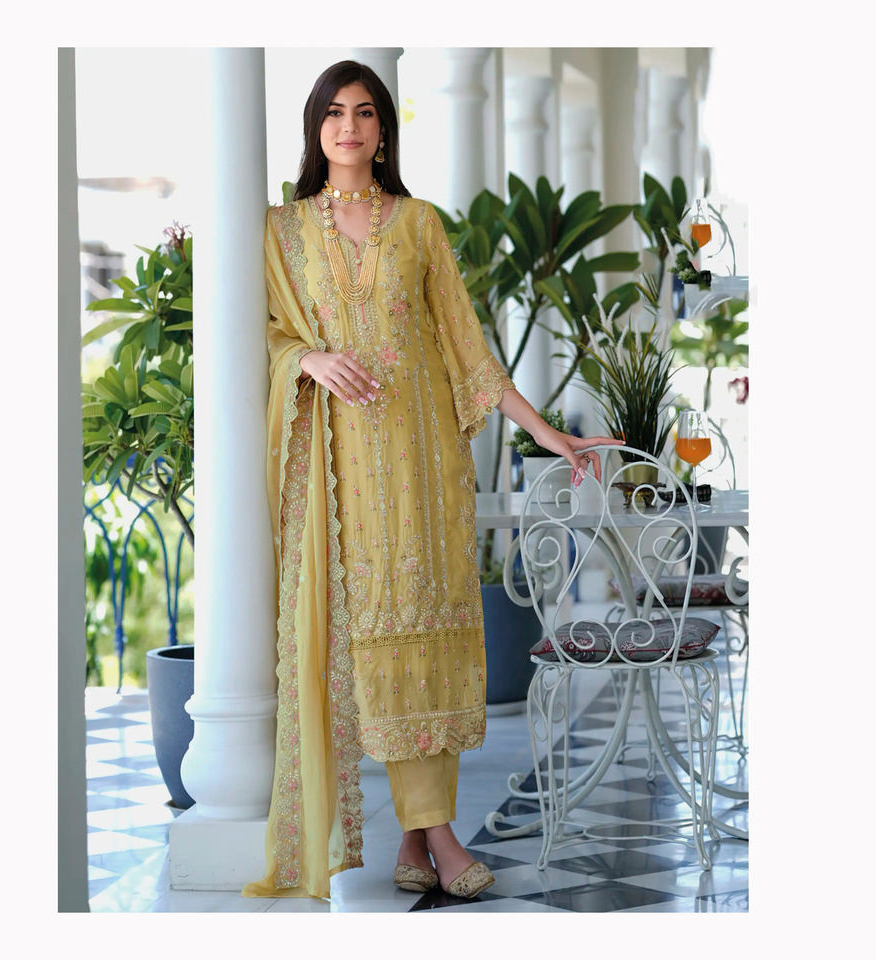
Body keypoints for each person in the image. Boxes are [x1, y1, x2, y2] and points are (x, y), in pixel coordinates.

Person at [242, 60, 618, 903]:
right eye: (333, 113)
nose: (348, 127)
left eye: (363, 113)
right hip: (340, 477)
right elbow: (256, 331)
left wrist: (548, 433)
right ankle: (435, 838)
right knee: (373, 647)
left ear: (383, 131)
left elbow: (467, 348)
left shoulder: (418, 225)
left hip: (422, 465)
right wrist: (307, 358)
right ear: (315, 129)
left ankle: (424, 832)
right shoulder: (280, 232)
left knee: (428, 641)